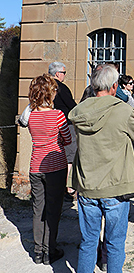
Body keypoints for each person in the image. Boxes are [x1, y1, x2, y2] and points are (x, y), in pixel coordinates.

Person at [68, 64, 134, 273]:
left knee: (88, 242)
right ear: (114, 86)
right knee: (114, 243)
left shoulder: (79, 111)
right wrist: (123, 98)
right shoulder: (122, 111)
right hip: (115, 185)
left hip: (87, 186)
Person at [27, 74, 71, 265]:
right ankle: (49, 250)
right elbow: (67, 139)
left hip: (35, 165)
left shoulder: (31, 114)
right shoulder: (58, 115)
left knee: (38, 209)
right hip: (55, 164)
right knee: (53, 209)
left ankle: (38, 251)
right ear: (50, 92)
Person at [48, 61, 77, 200]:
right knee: (69, 156)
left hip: (49, 125)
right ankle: (69, 189)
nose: (65, 75)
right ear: (58, 73)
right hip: (65, 123)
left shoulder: (44, 87)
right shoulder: (61, 87)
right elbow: (72, 106)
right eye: (64, 73)